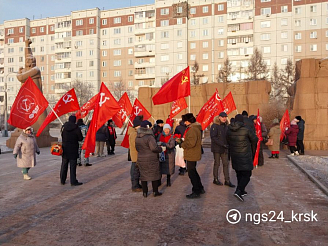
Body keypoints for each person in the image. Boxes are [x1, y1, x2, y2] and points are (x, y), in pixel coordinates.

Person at [227, 114, 258, 202]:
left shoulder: (229, 130)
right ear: (242, 121)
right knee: (247, 175)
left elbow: (227, 141)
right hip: (245, 155)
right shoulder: (246, 129)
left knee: (239, 173)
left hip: (234, 155)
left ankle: (242, 190)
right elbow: (255, 139)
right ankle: (239, 190)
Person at [135, 120, 164, 198]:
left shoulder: (137, 137)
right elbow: (154, 148)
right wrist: (160, 149)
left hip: (141, 158)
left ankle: (145, 192)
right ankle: (155, 191)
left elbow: (137, 148)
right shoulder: (150, 137)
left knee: (143, 176)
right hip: (151, 158)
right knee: (154, 175)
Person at [180, 113, 204, 199]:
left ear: (188, 121)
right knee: (193, 171)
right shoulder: (194, 128)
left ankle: (196, 190)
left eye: (185, 121)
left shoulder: (193, 129)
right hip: (193, 153)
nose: (184, 123)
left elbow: (191, 143)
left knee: (191, 173)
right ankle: (200, 188)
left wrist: (182, 144)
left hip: (191, 153)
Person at [210, 112, 235, 187]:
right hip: (217, 148)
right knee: (217, 163)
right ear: (219, 117)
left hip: (225, 148)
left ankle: (227, 180)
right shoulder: (215, 126)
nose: (224, 118)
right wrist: (222, 144)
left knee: (226, 164)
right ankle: (215, 179)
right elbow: (213, 137)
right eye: (223, 117)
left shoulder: (226, 126)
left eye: (225, 117)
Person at [60, 115, 83, 186]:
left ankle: (62, 179)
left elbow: (62, 136)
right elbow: (80, 138)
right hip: (73, 148)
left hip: (65, 148)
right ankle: (73, 181)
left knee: (64, 164)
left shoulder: (64, 127)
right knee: (73, 166)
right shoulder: (77, 128)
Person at [128, 117, 143, 192]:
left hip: (136, 154)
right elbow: (135, 144)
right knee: (135, 171)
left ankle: (137, 184)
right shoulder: (134, 134)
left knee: (136, 170)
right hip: (136, 155)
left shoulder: (135, 132)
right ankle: (135, 186)